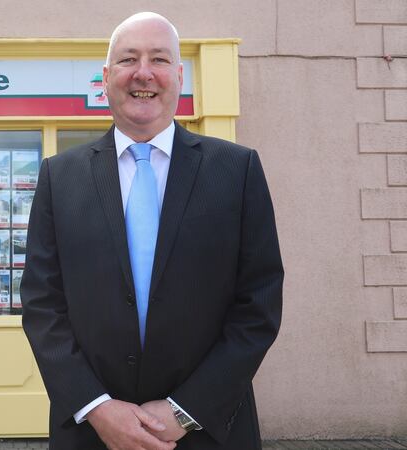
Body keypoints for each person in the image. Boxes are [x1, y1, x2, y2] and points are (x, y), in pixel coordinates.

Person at [21, 12, 283, 450]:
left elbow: (259, 305)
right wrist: (98, 407)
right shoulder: (59, 177)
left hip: (208, 430)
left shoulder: (237, 170)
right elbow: (42, 305)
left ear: (179, 76)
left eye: (159, 59)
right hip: (91, 432)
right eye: (128, 59)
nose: (144, 73)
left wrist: (186, 410)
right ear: (106, 78)